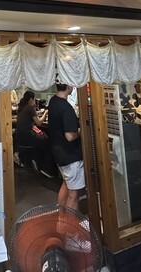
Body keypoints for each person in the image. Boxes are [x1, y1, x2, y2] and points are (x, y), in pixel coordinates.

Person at [48, 83, 85, 211]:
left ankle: (61, 217)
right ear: (68, 86)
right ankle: (70, 223)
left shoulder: (53, 101)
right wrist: (81, 131)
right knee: (73, 194)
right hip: (70, 156)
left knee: (66, 183)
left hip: (58, 153)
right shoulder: (66, 108)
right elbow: (70, 136)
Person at [15, 90, 54, 177]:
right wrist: (45, 113)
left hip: (20, 138)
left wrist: (40, 113)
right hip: (28, 136)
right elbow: (39, 123)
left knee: (43, 138)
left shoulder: (22, 107)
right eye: (34, 99)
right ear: (31, 99)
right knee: (48, 141)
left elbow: (33, 116)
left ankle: (36, 162)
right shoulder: (30, 107)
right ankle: (46, 169)